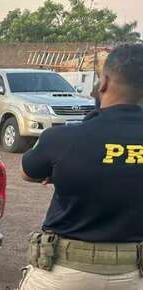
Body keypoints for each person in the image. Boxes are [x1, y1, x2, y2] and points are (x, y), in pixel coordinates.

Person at [19, 44, 143, 290]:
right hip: (133, 274)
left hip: (65, 272)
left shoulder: (62, 138)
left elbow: (27, 172)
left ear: (104, 82)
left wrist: (63, 171)